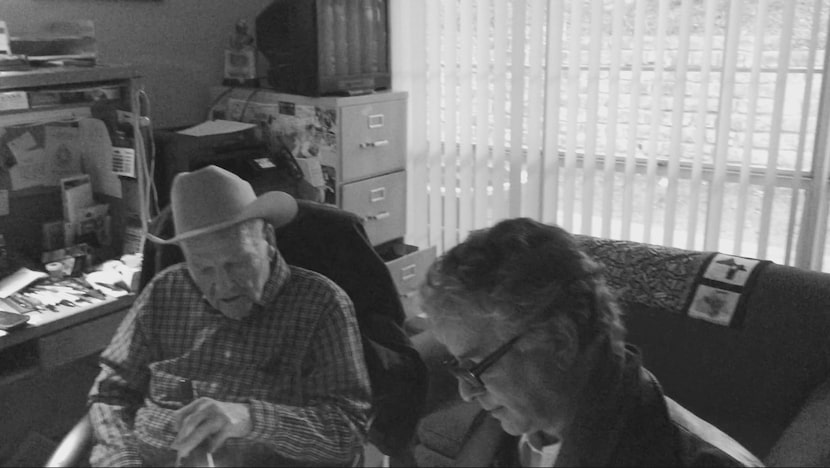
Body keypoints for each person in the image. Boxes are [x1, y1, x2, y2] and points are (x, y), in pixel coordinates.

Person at [416, 217, 763, 467]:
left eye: (477, 367)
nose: (466, 393)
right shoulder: (519, 424)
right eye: (461, 368)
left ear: (560, 340)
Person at [87, 165, 371, 466]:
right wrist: (122, 460)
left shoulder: (321, 306)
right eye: (204, 269)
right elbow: (110, 394)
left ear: (269, 241)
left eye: (237, 263)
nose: (222, 286)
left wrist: (250, 417)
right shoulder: (165, 292)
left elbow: (347, 432)